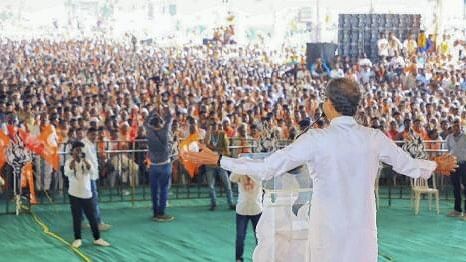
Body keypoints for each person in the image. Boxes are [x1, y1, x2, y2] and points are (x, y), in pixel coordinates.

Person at [182, 78, 457, 262]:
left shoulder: (316, 139)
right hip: (362, 235)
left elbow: (268, 167)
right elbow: (408, 165)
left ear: (329, 104)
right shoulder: (374, 138)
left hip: (327, 234)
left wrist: (218, 160)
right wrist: (437, 164)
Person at [64, 141, 110, 248]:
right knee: (77, 217)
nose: (79, 152)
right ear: (73, 151)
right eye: (77, 150)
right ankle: (77, 239)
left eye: (81, 150)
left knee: (92, 217)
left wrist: (84, 160)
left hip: (87, 194)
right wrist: (74, 161)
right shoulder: (68, 162)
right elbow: (67, 173)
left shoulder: (87, 161)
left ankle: (97, 238)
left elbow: (92, 172)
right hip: (74, 193)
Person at [144, 107, 174, 222]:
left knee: (154, 190)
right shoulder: (165, 131)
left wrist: (152, 111)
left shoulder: (149, 132)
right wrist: (165, 109)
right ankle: (161, 213)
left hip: (153, 166)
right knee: (164, 190)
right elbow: (169, 118)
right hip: (164, 165)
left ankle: (155, 212)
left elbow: (144, 122)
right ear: (160, 123)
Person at [81, 127, 111, 231]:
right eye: (93, 135)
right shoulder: (83, 144)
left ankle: (81, 220)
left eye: (96, 135)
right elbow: (82, 160)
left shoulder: (91, 144)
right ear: (88, 134)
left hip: (91, 175)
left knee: (84, 199)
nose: (95, 137)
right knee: (93, 200)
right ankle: (98, 222)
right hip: (87, 176)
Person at [230, 173, 262, 262]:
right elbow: (232, 178)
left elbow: (262, 177)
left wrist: (252, 170)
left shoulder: (258, 173)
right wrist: (240, 167)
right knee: (240, 237)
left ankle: (260, 257)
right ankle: (238, 259)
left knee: (259, 237)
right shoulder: (240, 174)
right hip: (242, 210)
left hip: (256, 209)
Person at [445, 118, 466, 218]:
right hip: (453, 164)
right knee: (456, 187)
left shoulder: (465, 136)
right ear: (452, 127)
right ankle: (457, 210)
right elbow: (448, 150)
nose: (456, 128)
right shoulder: (449, 137)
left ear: (461, 127)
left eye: (458, 126)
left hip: (464, 163)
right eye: (454, 126)